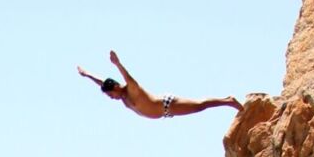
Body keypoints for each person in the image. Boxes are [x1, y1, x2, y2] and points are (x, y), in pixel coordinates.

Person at [78, 51, 241, 119]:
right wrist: (87, 75)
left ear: (115, 87)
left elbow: (127, 77)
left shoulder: (131, 89)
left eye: (110, 94)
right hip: (164, 113)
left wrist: (117, 63)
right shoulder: (122, 96)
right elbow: (102, 82)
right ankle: (227, 100)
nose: (111, 98)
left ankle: (228, 101)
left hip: (167, 105)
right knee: (199, 108)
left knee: (200, 106)